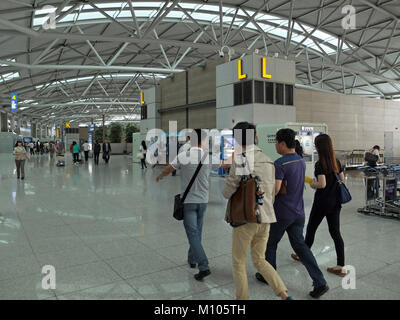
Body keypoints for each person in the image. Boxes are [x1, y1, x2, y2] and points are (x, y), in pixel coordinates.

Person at [255, 128, 329, 299]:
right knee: (300, 246)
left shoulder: (280, 163)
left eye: (276, 142)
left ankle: (268, 276)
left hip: (282, 213)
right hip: (298, 212)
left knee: (270, 244)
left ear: (282, 143)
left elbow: (276, 189)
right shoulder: (300, 161)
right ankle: (320, 282)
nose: (275, 145)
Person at [222, 122, 292, 301]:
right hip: (266, 218)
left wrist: (226, 192)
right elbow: (271, 192)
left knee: (239, 262)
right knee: (260, 260)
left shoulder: (242, 159)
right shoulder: (268, 160)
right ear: (254, 137)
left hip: (246, 219)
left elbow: (229, 189)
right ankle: (284, 294)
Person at [156, 129, 220, 281]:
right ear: (204, 141)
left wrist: (160, 176)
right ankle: (192, 259)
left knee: (192, 234)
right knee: (197, 232)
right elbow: (223, 166)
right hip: (203, 201)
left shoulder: (183, 156)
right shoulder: (208, 157)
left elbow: (168, 169)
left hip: (189, 201)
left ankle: (203, 265)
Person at [291, 134, 346, 277]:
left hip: (322, 203)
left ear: (320, 147)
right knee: (335, 233)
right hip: (335, 202)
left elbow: (322, 184)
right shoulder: (336, 162)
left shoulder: (320, 163)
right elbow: (341, 178)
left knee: (311, 229)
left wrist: (312, 183)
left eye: (316, 144)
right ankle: (341, 265)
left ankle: (304, 255)